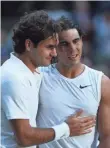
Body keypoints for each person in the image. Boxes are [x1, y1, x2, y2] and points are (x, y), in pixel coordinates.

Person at [1, 11, 95, 148]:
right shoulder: (14, 78)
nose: (54, 53)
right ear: (29, 45)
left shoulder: (33, 72)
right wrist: (67, 129)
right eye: (49, 47)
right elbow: (24, 137)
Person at [36, 16, 110, 148]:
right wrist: (65, 129)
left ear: (82, 41)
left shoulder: (101, 82)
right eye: (64, 44)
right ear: (54, 48)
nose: (72, 48)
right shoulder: (38, 76)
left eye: (76, 41)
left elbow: (107, 136)